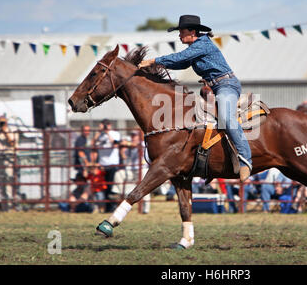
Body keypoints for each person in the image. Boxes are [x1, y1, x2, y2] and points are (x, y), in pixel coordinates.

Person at [138, 14, 252, 182]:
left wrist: (154, 60)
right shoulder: (196, 47)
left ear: (192, 31)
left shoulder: (202, 44)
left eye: (181, 31)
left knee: (227, 118)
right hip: (215, 86)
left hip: (226, 85)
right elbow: (180, 63)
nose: (179, 35)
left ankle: (245, 160)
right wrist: (158, 64)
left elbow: (180, 58)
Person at [113, 129, 151, 214]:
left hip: (142, 169)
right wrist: (121, 149)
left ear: (140, 136)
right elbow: (124, 157)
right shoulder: (129, 147)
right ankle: (119, 195)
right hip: (131, 170)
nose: (133, 137)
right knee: (119, 174)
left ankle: (145, 209)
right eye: (132, 136)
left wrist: (125, 143)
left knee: (146, 187)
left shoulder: (143, 143)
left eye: (135, 135)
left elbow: (135, 144)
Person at [0, 116, 20, 211]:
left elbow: (12, 143)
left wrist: (4, 131)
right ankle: (4, 208)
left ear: (7, 123)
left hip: (9, 157)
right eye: (0, 122)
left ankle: (11, 207)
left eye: (3, 122)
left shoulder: (12, 131)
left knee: (9, 181)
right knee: (1, 182)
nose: (2, 124)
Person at [93, 119, 121, 212]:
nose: (106, 127)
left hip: (112, 164)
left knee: (111, 187)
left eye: (107, 125)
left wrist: (107, 133)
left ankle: (111, 207)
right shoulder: (99, 135)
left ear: (110, 125)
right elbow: (93, 144)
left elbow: (115, 144)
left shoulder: (114, 133)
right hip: (102, 164)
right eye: (104, 125)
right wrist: (99, 132)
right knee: (103, 187)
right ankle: (105, 207)